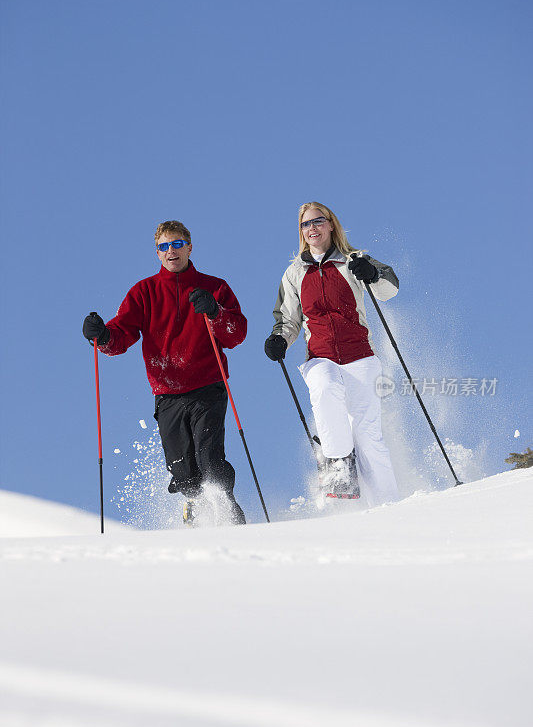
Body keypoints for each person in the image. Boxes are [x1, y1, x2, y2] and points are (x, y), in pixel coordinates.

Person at [82, 219, 247, 525]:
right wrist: (101, 335)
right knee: (183, 472)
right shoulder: (144, 292)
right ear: (157, 253)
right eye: (164, 246)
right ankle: (196, 508)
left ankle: (226, 507)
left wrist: (215, 311)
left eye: (177, 244)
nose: (171, 251)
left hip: (207, 385)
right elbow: (122, 333)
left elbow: (236, 335)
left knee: (210, 458)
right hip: (167, 392)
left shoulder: (214, 287)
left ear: (189, 247)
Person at [264, 201, 399, 507]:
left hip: (360, 355)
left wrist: (371, 274)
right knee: (324, 389)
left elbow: (389, 289)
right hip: (321, 355)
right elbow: (288, 319)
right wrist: (280, 340)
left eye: (317, 222)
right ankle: (339, 464)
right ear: (301, 232)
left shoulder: (353, 260)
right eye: (305, 224)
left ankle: (389, 504)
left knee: (368, 435)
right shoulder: (295, 272)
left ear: (331, 225)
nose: (312, 228)